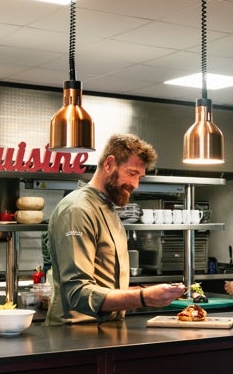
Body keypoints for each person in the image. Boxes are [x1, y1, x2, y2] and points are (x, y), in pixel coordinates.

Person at [45, 133, 185, 325]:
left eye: (140, 177)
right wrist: (143, 297)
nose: (135, 184)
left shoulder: (109, 209)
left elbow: (107, 286)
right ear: (109, 164)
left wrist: (150, 292)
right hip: (76, 336)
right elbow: (77, 293)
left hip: (104, 332)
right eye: (132, 173)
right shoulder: (78, 209)